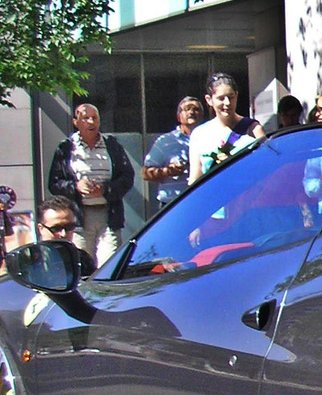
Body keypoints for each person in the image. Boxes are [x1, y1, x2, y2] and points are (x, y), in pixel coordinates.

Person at [47, 102, 135, 265]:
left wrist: (105, 190)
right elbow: (54, 183)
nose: (91, 122)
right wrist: (76, 187)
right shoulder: (66, 148)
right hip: (79, 217)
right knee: (82, 265)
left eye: (94, 118)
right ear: (75, 122)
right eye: (85, 118)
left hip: (108, 215)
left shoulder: (112, 145)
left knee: (109, 265)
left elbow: (127, 177)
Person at [188, 72, 266, 183]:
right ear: (209, 100)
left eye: (231, 97)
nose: (227, 103)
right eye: (221, 98)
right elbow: (195, 178)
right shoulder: (199, 134)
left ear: (237, 96)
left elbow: (267, 168)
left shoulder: (253, 129)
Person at [143, 96, 205, 210]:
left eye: (196, 109)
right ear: (178, 116)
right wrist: (168, 171)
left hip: (203, 203)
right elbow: (146, 173)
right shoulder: (165, 141)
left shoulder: (210, 138)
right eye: (187, 109)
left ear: (202, 115)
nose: (191, 112)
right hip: (173, 206)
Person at [35, 196, 98, 274]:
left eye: (69, 227)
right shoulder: (31, 259)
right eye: (56, 228)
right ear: (40, 228)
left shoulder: (81, 259)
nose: (63, 234)